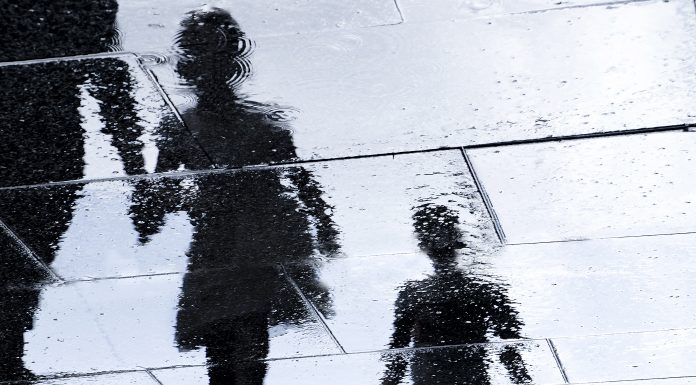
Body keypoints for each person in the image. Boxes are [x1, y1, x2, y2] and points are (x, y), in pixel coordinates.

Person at [129, 8, 339, 384]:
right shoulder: (192, 125)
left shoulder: (258, 122)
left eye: (213, 53)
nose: (205, 64)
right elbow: (160, 190)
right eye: (197, 52)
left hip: (256, 238)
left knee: (240, 332)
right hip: (222, 239)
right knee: (228, 336)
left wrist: (324, 222)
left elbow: (299, 175)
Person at [382, 204, 531, 385]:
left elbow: (398, 350)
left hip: (436, 375)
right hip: (464, 374)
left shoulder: (413, 294)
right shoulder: (483, 290)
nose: (437, 248)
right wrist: (522, 379)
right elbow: (510, 345)